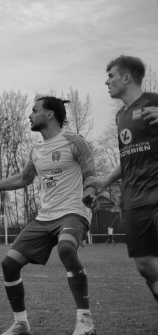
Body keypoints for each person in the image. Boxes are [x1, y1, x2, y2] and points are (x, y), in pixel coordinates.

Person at [0, 96, 97, 335]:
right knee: (9, 263)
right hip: (45, 217)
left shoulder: (74, 142)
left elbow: (91, 174)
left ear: (49, 114)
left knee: (66, 248)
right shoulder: (36, 150)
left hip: (73, 212)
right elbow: (23, 179)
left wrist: (90, 193)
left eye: (35, 110)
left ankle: (85, 319)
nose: (30, 115)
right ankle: (21, 324)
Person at [88, 55, 158, 303]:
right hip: (134, 200)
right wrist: (105, 182)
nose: (106, 82)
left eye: (110, 76)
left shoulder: (155, 102)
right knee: (145, 266)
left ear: (126, 77)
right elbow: (127, 158)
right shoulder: (121, 117)